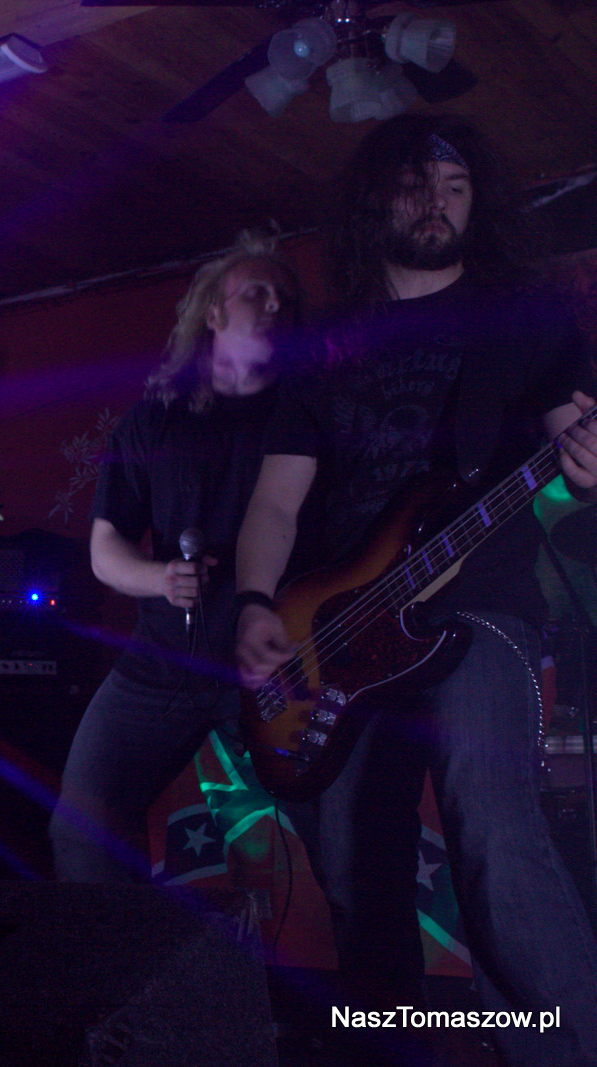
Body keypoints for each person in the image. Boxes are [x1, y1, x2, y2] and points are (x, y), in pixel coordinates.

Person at [235, 114, 597, 1066]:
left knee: (494, 831)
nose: (436, 201)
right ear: (375, 199)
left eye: (455, 186)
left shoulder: (522, 319)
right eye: (415, 182)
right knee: (359, 873)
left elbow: (576, 446)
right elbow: (275, 500)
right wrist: (257, 602)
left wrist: (589, 467)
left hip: (480, 611)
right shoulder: (323, 345)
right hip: (341, 633)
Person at [49, 232, 302, 883]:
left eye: (283, 297)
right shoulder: (152, 422)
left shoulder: (307, 413)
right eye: (255, 293)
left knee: (336, 834)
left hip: (279, 663)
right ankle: (128, 952)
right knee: (81, 825)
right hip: (162, 663)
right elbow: (105, 549)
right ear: (212, 313)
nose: (275, 304)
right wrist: (159, 577)